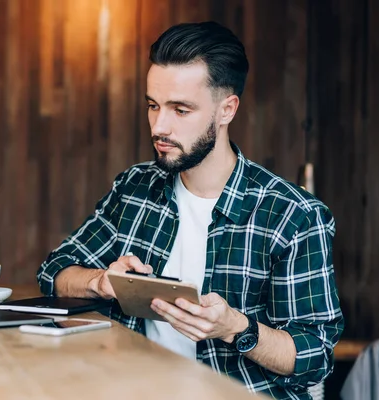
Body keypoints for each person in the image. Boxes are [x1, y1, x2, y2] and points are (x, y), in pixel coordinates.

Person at [37, 21, 343, 399]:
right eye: (153, 105)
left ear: (226, 109)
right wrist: (102, 281)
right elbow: (55, 271)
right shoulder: (134, 188)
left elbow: (314, 354)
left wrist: (235, 327)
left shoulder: (293, 214)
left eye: (180, 110)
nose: (159, 126)